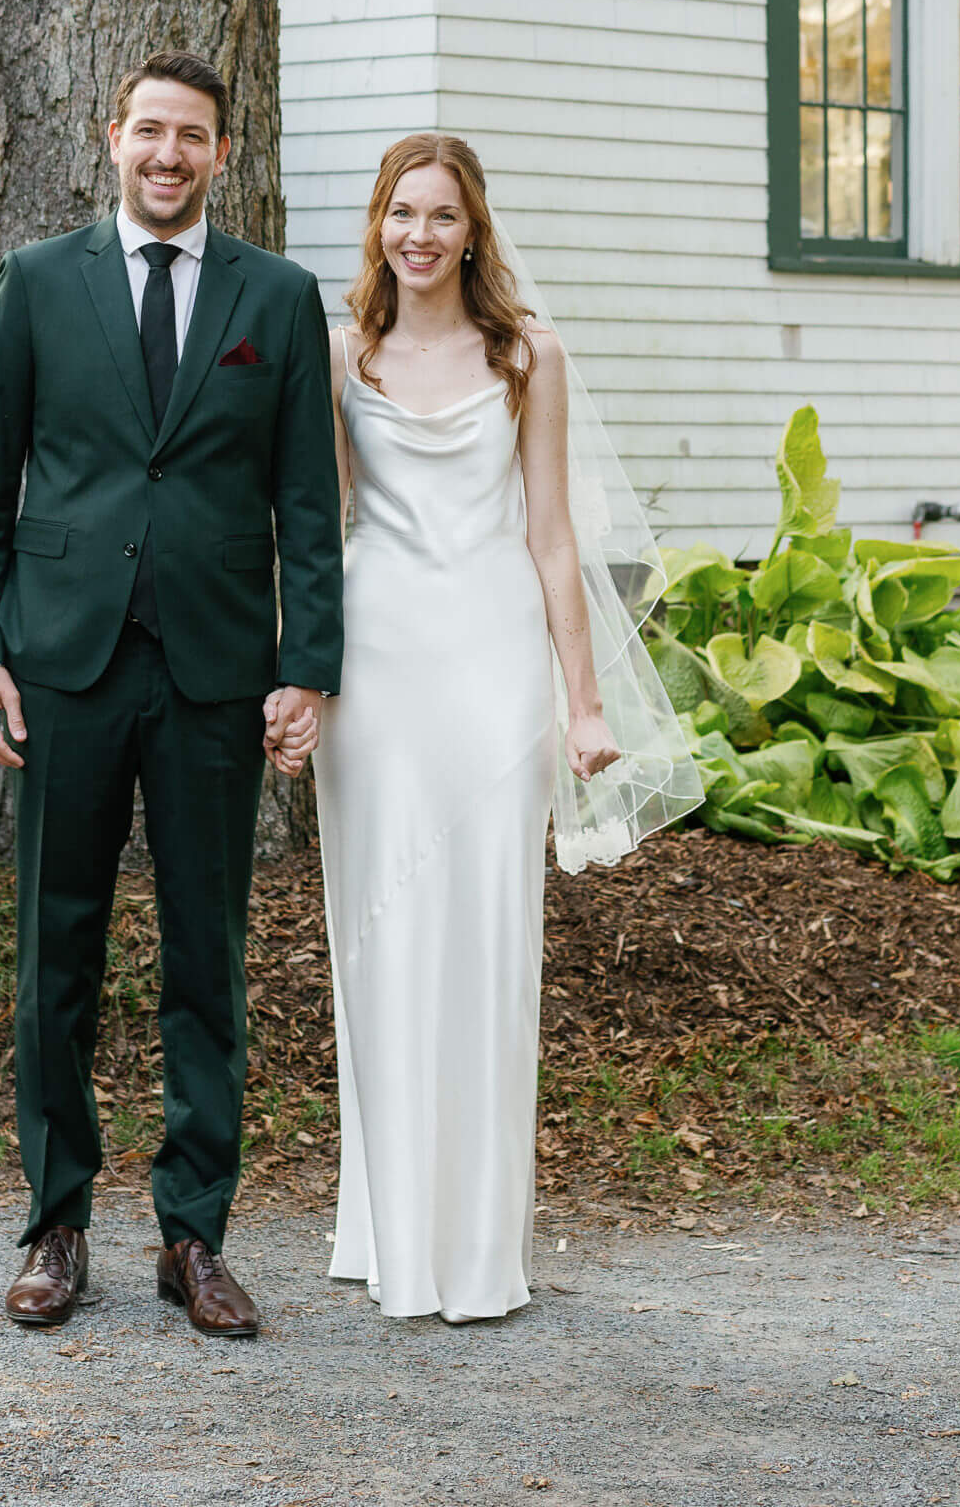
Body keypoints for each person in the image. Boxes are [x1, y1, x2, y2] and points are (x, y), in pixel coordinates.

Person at [0, 50, 341, 1338]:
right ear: (112, 139)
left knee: (206, 961)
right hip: (62, 667)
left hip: (214, 675)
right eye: (149, 132)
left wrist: (307, 667)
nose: (169, 155)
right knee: (54, 956)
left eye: (195, 138)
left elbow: (304, 506)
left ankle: (194, 1236)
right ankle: (57, 1224)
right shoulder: (37, 282)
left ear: (223, 154)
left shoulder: (275, 299)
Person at [305, 133, 702, 1322]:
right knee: (376, 931)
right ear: (377, 226)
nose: (417, 235)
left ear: (472, 230)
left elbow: (552, 539)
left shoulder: (528, 355)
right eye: (398, 214)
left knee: (482, 930)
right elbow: (320, 531)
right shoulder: (339, 356)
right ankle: (384, 1228)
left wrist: (581, 702)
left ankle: (475, 1249)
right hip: (372, 670)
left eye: (440, 215)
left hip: (490, 659)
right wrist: (300, 677)